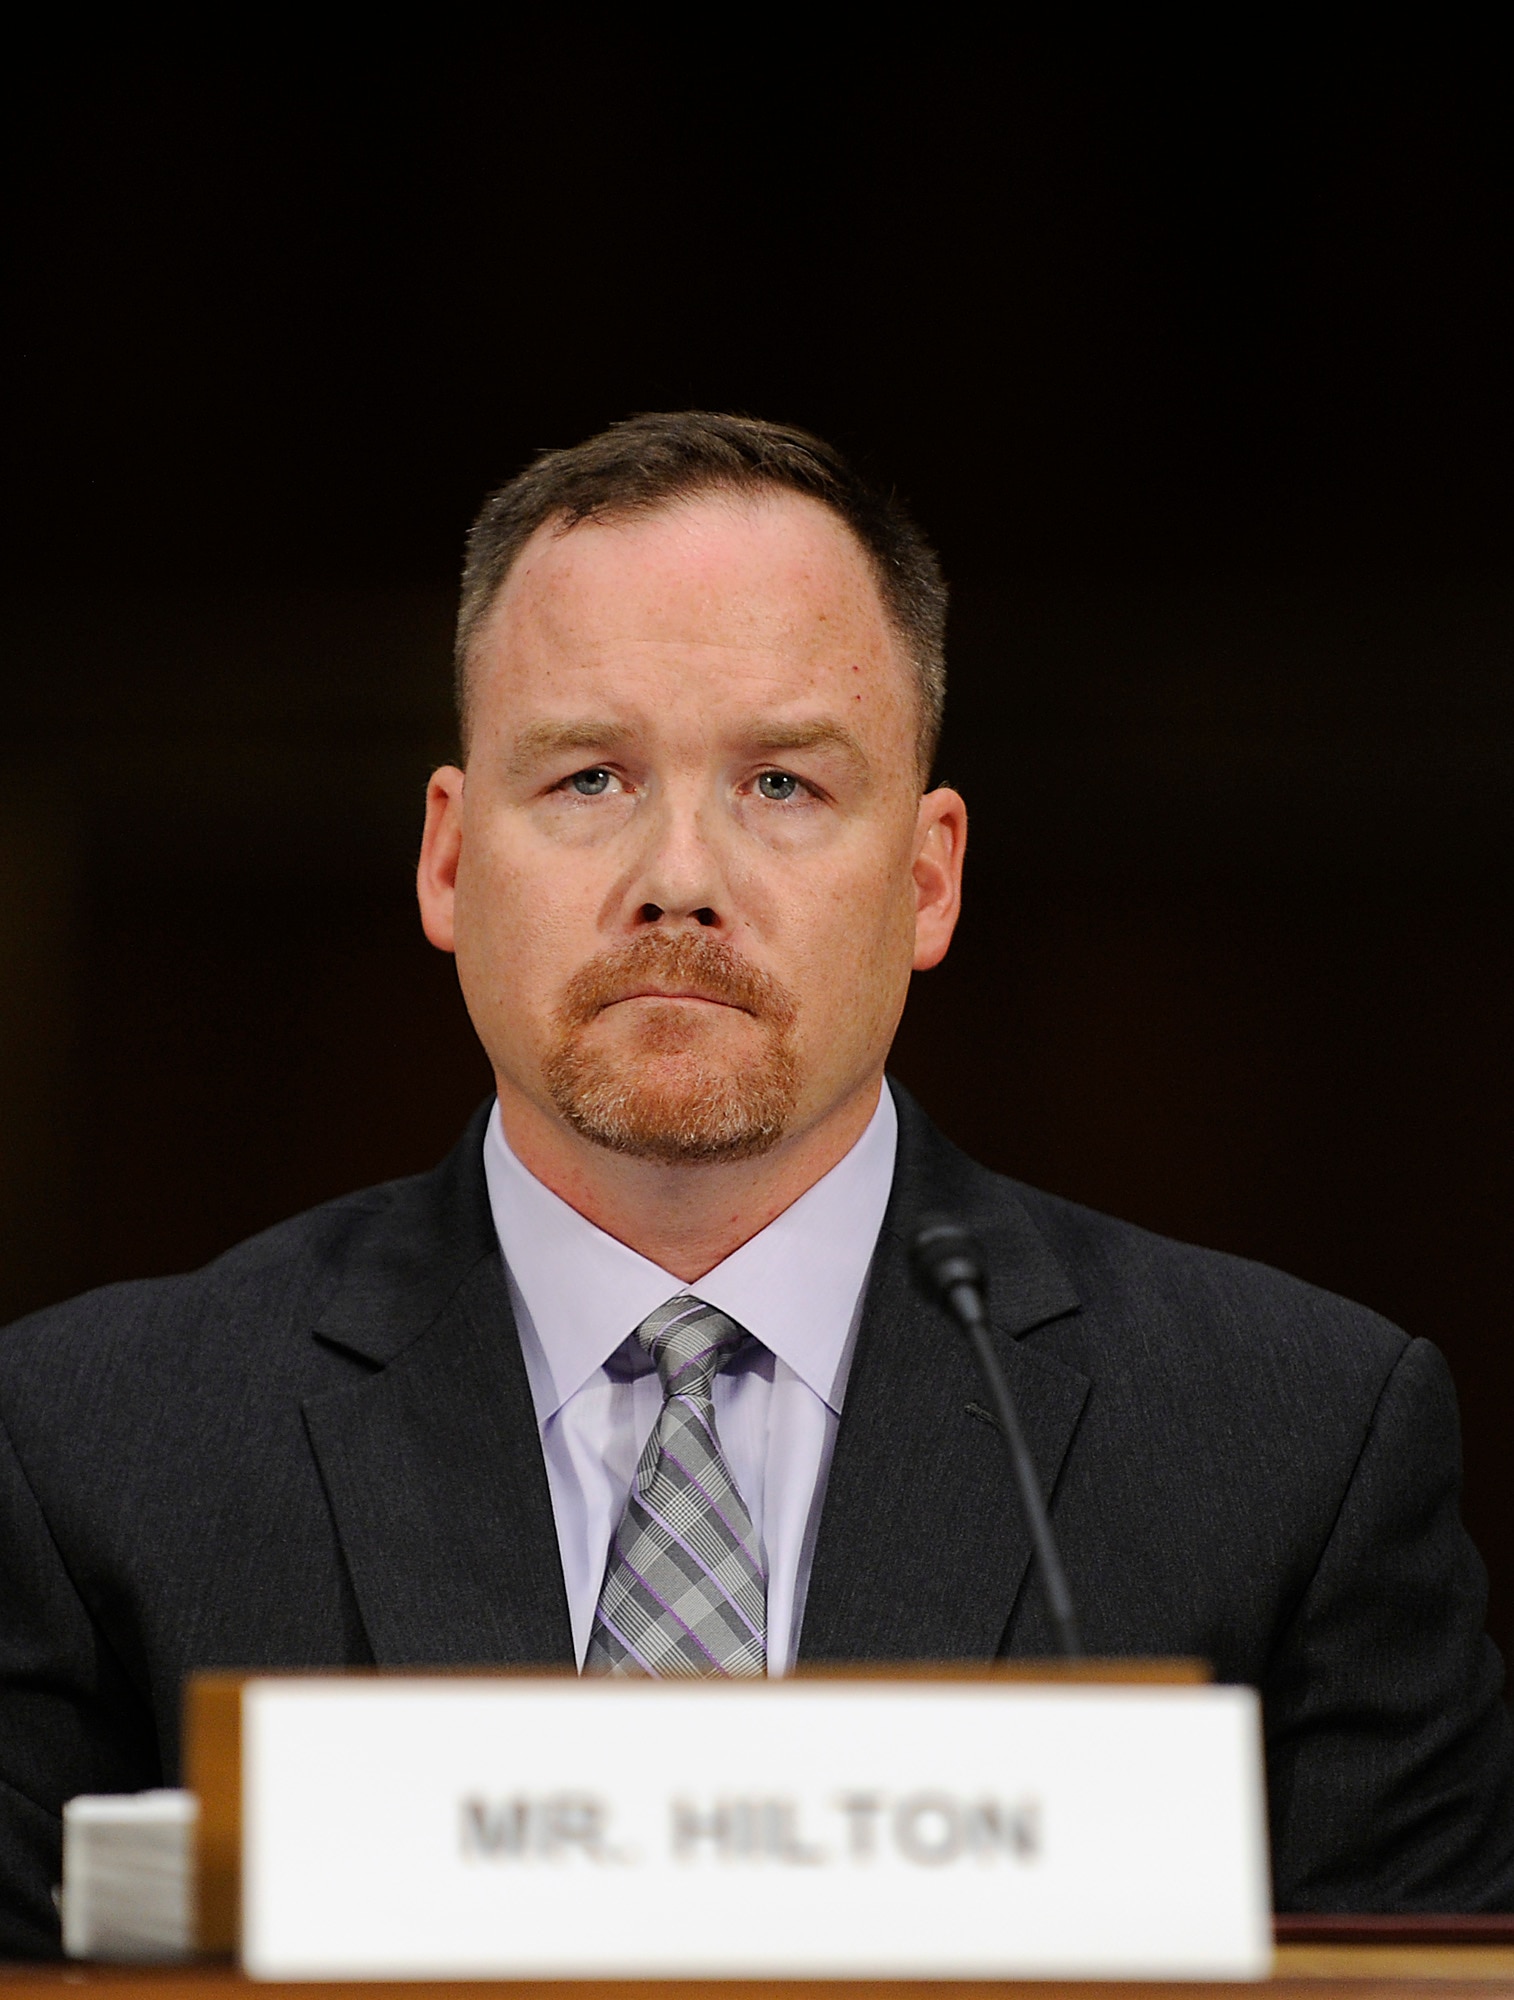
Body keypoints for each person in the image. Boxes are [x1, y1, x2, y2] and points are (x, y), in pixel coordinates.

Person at [1, 413, 1511, 1956]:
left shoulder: (1294, 1448)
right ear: (449, 862)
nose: (680, 876)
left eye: (781, 785)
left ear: (927, 879)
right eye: (589, 777)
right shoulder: (89, 1453)